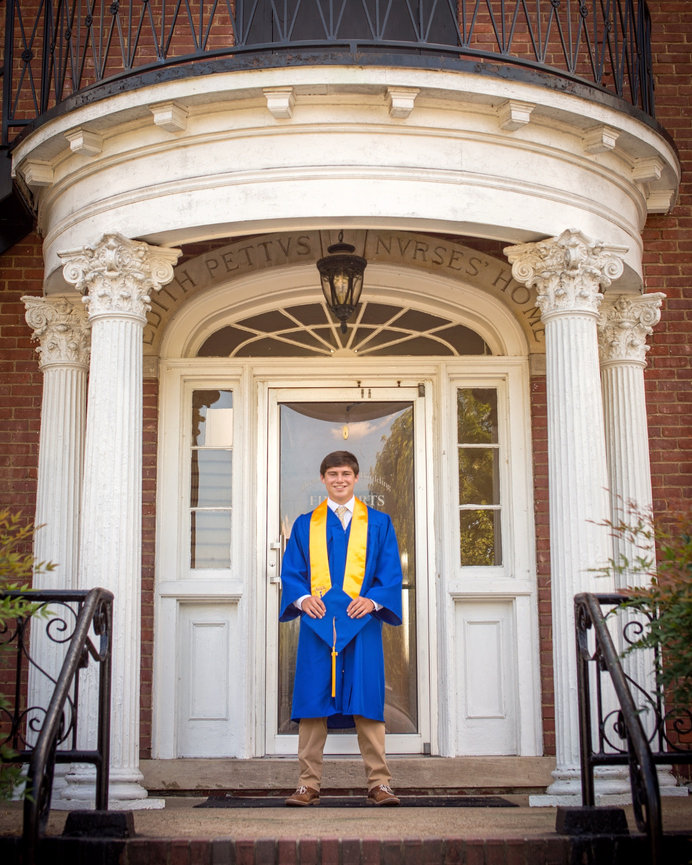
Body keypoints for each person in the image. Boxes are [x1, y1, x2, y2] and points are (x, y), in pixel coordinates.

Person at [279, 450, 403, 806]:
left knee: (366, 701)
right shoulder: (305, 524)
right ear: (323, 479)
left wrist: (374, 601)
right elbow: (292, 573)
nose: (339, 480)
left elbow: (389, 572)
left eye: (345, 473)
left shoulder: (378, 523)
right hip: (319, 626)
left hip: (361, 625)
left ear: (355, 478)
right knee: (313, 701)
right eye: (332, 474)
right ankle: (308, 784)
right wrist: (303, 600)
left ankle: (380, 783)